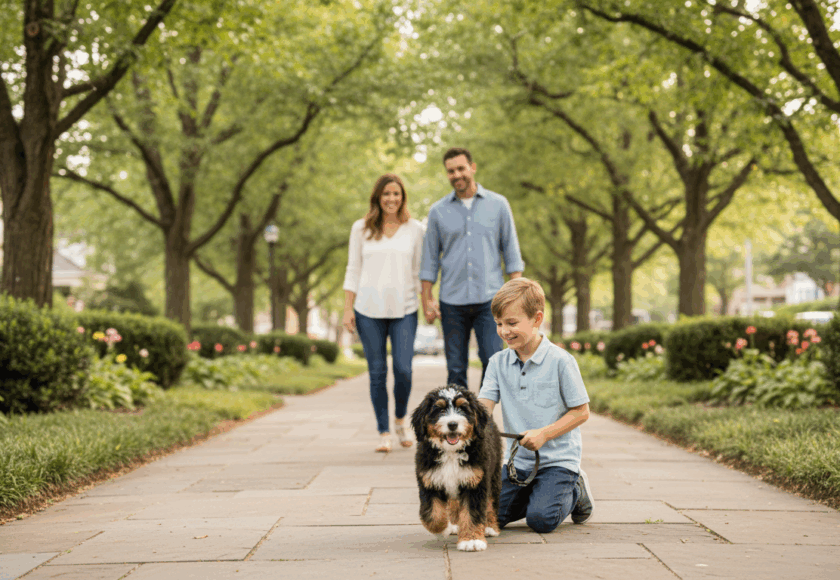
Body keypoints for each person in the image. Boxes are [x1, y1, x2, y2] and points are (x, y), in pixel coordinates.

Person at [478, 278, 594, 533]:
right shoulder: (497, 363)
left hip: (557, 462)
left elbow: (581, 412)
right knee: (486, 516)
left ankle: (575, 488)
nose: (504, 331)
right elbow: (483, 406)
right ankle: (536, 493)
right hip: (517, 463)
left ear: (537, 319)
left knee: (541, 520)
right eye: (499, 323)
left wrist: (544, 434)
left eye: (511, 323)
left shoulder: (561, 361)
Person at [419, 147, 524, 389]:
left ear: (472, 168)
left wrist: (516, 299)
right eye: (451, 171)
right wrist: (427, 299)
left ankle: (484, 414)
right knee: (455, 369)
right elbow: (429, 260)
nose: (456, 175)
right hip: (451, 302)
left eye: (461, 168)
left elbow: (512, 254)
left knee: (492, 362)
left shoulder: (499, 205)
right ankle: (460, 414)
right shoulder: (437, 211)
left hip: (491, 300)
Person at [343, 173, 424, 453]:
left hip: (405, 309)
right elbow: (353, 269)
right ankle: (384, 431)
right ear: (378, 197)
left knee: (403, 370)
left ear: (403, 197)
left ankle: (400, 419)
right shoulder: (361, 229)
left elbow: (418, 271)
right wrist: (347, 308)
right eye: (386, 193)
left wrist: (427, 302)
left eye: (396, 193)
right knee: (377, 372)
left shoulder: (415, 229)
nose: (391, 198)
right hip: (367, 310)